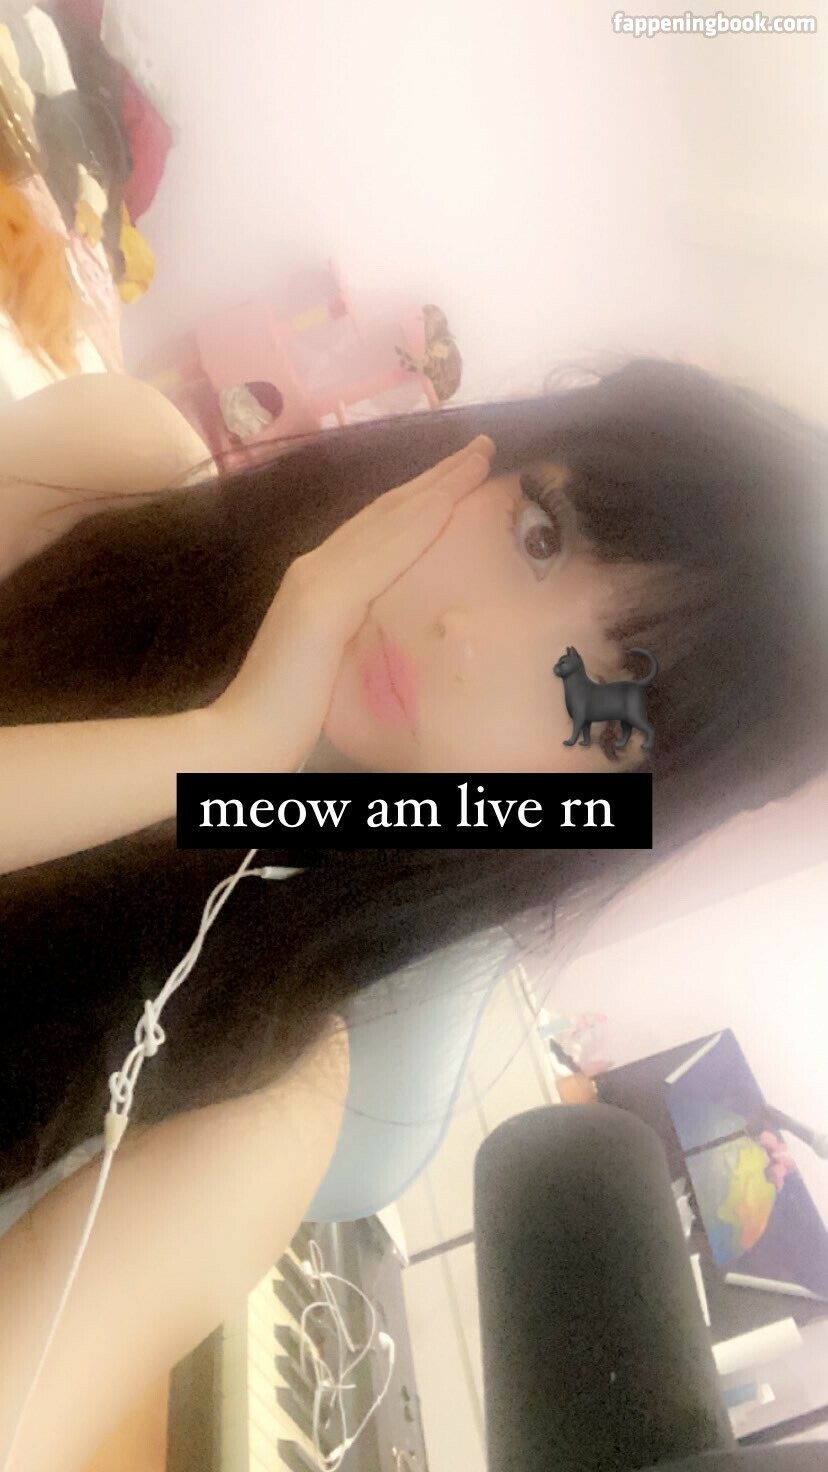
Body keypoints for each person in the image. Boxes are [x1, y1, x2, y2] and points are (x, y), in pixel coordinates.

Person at [0, 357, 826, 1472]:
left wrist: (221, 762)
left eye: (607, 718)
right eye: (539, 534)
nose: (468, 638)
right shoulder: (115, 471)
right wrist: (211, 748)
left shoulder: (264, 1116)